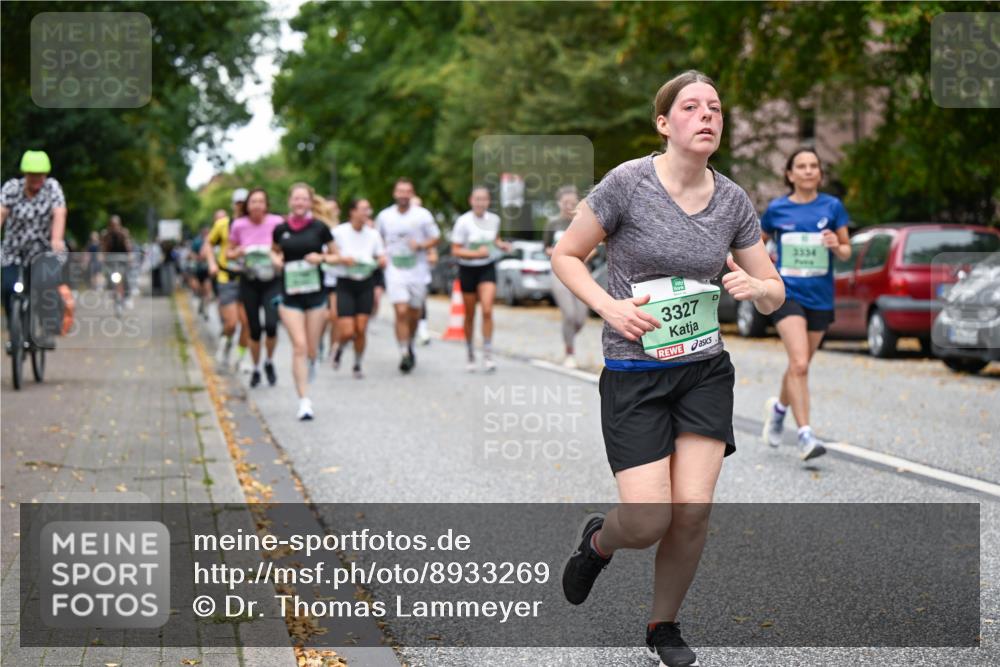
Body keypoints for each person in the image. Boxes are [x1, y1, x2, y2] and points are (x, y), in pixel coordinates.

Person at [551, 71, 784, 667]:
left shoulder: (733, 200)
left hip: (703, 368)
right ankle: (600, 542)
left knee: (693, 509)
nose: (707, 115)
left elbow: (775, 292)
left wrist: (757, 286)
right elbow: (567, 255)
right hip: (634, 370)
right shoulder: (627, 183)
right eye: (691, 107)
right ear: (664, 123)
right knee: (650, 516)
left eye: (715, 108)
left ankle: (663, 627)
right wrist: (608, 305)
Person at [760, 148, 851, 461]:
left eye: (814, 166)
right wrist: (762, 276)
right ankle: (805, 435)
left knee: (800, 364)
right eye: (802, 166)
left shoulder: (832, 206)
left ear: (820, 173)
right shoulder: (777, 209)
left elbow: (847, 252)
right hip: (788, 294)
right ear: (790, 174)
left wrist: (835, 245)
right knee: (799, 363)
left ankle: (778, 409)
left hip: (820, 297)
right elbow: (754, 244)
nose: (809, 171)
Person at [272, 183, 337, 420]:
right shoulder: (280, 229)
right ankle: (304, 401)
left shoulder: (320, 228)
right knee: (298, 346)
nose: (299, 203)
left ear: (310, 203)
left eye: (304, 199)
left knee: (310, 348)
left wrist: (321, 257)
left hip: (316, 295)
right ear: (290, 201)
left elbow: (336, 255)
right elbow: (275, 250)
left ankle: (314, 357)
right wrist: (276, 259)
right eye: (296, 199)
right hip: (290, 295)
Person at [375, 178, 439, 373]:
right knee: (401, 311)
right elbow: (377, 239)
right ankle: (404, 352)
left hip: (417, 270)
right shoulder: (385, 216)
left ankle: (409, 342)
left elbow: (435, 237)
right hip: (395, 269)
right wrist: (381, 256)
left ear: (411, 194)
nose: (403, 195)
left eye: (407, 191)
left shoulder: (422, 215)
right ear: (395, 193)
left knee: (414, 313)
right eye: (400, 191)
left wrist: (421, 246)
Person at [1, 150, 67, 334]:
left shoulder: (52, 188)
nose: (37, 179)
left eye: (40, 175)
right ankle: (14, 326)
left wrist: (56, 239)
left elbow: (59, 213)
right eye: (33, 175)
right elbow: (1, 212)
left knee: (46, 284)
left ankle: (47, 324)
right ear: (25, 174)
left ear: (45, 175)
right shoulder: (12, 188)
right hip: (13, 250)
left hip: (43, 249)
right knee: (7, 286)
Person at [227, 188, 283, 388]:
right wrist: (238, 252)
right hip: (249, 280)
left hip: (272, 281)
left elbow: (284, 248)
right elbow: (228, 252)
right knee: (254, 328)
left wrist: (277, 256)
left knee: (271, 325)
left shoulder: (277, 222)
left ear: (266, 205)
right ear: (247, 205)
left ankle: (269, 361)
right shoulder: (239, 225)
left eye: (261, 201)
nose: (257, 205)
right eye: (253, 201)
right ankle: (256, 367)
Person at [450, 185, 510, 372]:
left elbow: (494, 240)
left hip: (487, 268)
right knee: (470, 314)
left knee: (486, 309)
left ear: (488, 202)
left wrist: (501, 245)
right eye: (477, 199)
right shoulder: (463, 221)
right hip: (467, 269)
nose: (480, 202)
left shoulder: (494, 220)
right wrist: (476, 254)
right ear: (471, 201)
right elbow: (456, 250)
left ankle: (488, 353)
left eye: (483, 199)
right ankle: (470, 352)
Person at [331, 198, 386, 379]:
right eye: (363, 209)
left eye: (368, 210)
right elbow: (327, 255)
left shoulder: (373, 234)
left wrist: (379, 262)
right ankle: (339, 347)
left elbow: (381, 257)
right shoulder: (338, 232)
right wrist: (342, 259)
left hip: (365, 283)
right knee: (347, 330)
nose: (366, 213)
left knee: (361, 329)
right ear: (352, 212)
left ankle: (357, 363)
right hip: (345, 283)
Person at [545, 185, 592, 368]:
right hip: (559, 272)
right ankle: (569, 352)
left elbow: (595, 247)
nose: (569, 206)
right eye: (565, 203)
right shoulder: (553, 224)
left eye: (572, 203)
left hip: (581, 271)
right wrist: (559, 253)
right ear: (559, 203)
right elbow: (547, 248)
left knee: (580, 318)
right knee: (570, 314)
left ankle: (569, 334)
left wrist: (586, 254)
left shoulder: (584, 221)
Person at [206, 190, 249, 369]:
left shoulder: (253, 225)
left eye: (243, 203)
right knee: (231, 323)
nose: (240, 206)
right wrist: (212, 264)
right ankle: (225, 344)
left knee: (247, 323)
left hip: (248, 277)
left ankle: (240, 358)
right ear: (233, 205)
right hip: (226, 277)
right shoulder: (222, 224)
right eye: (237, 203)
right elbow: (209, 243)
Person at [318, 195, 340, 362]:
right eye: (329, 207)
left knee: (335, 315)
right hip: (321, 276)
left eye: (334, 207)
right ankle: (318, 341)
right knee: (324, 316)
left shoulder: (340, 228)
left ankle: (334, 347)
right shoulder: (319, 227)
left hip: (336, 276)